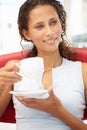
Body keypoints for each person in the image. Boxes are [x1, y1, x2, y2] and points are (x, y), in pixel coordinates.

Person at [0, 0, 87, 130]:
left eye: (53, 22)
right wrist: (0, 86)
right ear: (27, 34)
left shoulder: (83, 71)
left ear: (61, 24)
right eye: (39, 26)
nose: (50, 32)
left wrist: (58, 110)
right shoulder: (15, 69)